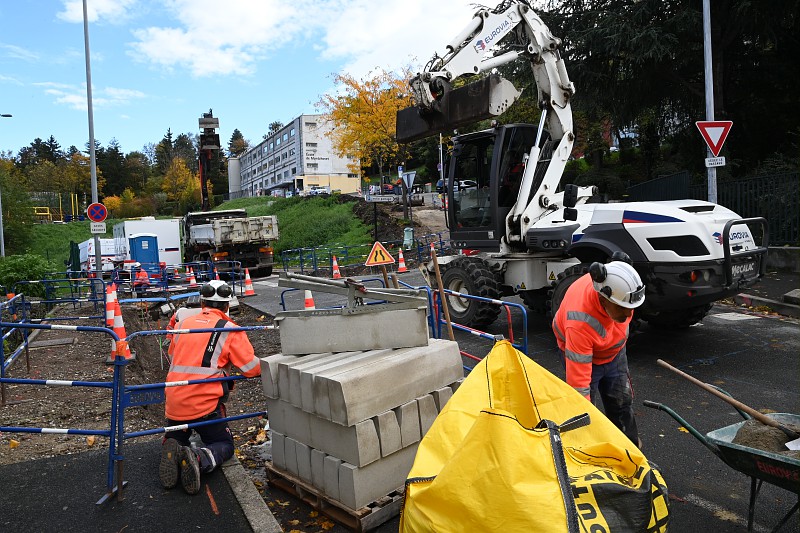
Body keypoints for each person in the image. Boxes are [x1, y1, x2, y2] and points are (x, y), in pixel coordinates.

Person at [159, 280, 261, 495]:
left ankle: (172, 443)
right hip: (204, 406)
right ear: (227, 306)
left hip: (175, 400)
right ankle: (199, 458)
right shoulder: (229, 329)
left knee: (179, 432)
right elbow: (251, 368)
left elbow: (173, 355)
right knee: (223, 443)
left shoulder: (182, 324)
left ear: (203, 302)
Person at [551, 253, 645, 447]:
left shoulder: (622, 293)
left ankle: (629, 449)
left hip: (614, 353)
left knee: (621, 403)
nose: (629, 314)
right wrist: (582, 418)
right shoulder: (580, 323)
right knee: (585, 410)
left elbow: (623, 313)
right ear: (603, 298)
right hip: (585, 359)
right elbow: (579, 388)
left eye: (630, 308)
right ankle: (585, 451)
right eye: (622, 309)